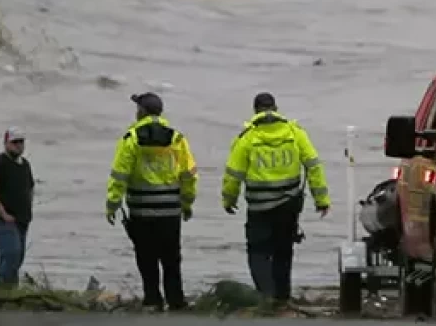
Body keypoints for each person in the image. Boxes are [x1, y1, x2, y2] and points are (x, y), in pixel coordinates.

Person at [222, 92, 331, 308]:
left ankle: (266, 296)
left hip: (259, 207)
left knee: (258, 251)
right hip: (288, 205)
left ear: (255, 111)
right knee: (283, 250)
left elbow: (233, 174)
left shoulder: (247, 138)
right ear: (276, 108)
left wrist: (229, 199)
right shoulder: (294, 133)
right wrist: (321, 199)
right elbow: (313, 166)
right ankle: (282, 297)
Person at [106, 92, 198, 311]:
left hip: (141, 210)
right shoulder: (176, 138)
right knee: (171, 258)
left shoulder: (131, 138)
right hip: (170, 210)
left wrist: (112, 204)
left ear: (142, 112)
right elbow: (189, 175)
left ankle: (153, 299)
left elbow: (120, 175)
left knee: (146, 257)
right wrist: (187, 204)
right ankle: (176, 300)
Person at [0, 127, 35, 289]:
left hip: (21, 219)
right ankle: (3, 291)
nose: (18, 145)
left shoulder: (25, 165)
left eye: (21, 142)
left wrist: (28, 210)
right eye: (14, 142)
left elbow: (30, 188)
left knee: (17, 258)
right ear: (6, 143)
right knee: (11, 252)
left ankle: (11, 292)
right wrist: (2, 212)